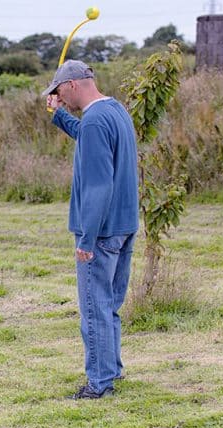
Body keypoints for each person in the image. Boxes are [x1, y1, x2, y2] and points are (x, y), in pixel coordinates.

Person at [43, 60, 139, 399]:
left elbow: (99, 185)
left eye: (59, 92)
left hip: (101, 231)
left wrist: (86, 238)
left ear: (71, 85)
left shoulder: (96, 121)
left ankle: (99, 384)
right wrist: (59, 116)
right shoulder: (114, 111)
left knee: (94, 308)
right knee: (108, 304)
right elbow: (87, 134)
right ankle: (111, 371)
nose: (60, 99)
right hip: (124, 224)